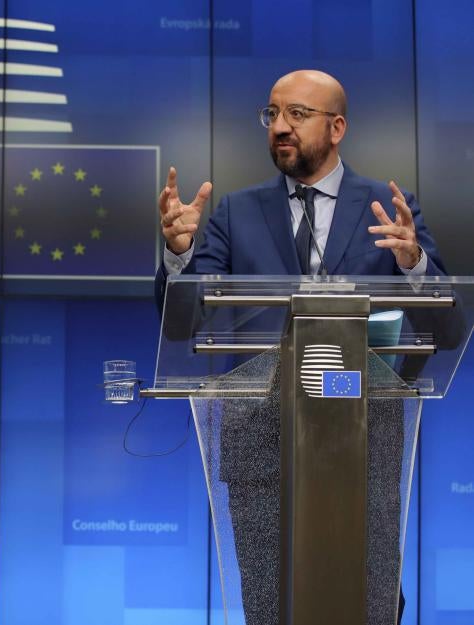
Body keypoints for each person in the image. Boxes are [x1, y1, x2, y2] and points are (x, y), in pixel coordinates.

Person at [154, 70, 447, 625]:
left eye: (297, 114)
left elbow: (446, 324)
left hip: (362, 445)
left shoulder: (389, 208)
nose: (280, 127)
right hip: (259, 445)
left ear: (337, 127)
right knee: (269, 608)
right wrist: (179, 257)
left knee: (365, 605)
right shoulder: (237, 213)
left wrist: (414, 265)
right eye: (272, 114)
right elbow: (181, 323)